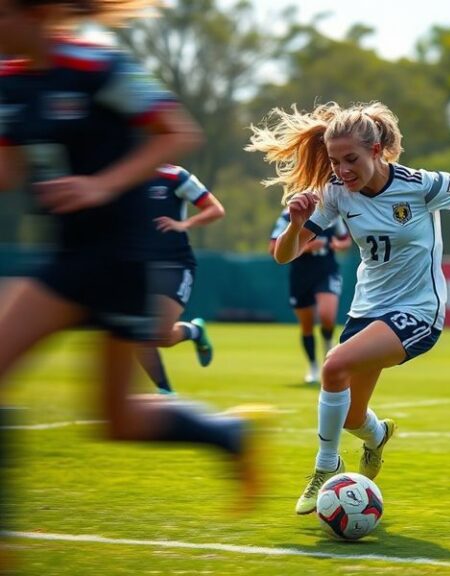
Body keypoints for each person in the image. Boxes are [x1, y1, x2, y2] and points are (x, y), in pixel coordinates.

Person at [0, 0, 268, 517]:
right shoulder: (9, 83)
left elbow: (180, 131)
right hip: (69, 258)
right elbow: (7, 172)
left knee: (113, 416)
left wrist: (100, 184)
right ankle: (228, 432)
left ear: (33, 15)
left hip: (117, 261)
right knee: (117, 420)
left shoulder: (98, 66)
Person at [246, 101, 450, 514]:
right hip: (367, 311)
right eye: (334, 161)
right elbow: (284, 256)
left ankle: (326, 467)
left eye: (351, 160)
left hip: (418, 311)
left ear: (376, 151)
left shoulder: (419, 185)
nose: (342, 170)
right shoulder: (337, 194)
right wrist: (294, 224)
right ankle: (377, 436)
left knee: (332, 365)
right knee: (350, 416)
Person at [137, 164, 224, 395]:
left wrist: (183, 225)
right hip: (137, 267)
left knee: (158, 336)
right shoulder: (122, 175)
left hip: (174, 265)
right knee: (135, 333)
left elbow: (215, 209)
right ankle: (166, 394)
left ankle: (194, 331)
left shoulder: (175, 176)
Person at [269, 208, 351, 384]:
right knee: (307, 325)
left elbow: (345, 241)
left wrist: (335, 245)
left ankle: (328, 346)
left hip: (326, 271)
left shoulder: (331, 211)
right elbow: (273, 248)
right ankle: (313, 366)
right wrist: (306, 247)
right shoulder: (288, 215)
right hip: (301, 275)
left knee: (327, 315)